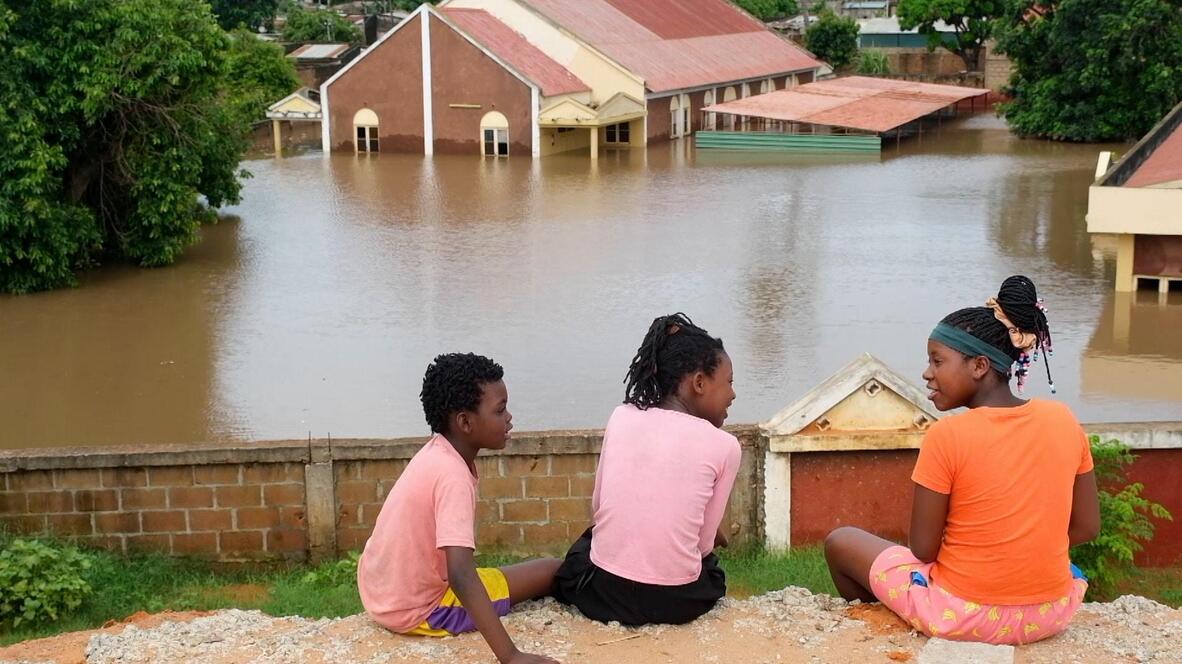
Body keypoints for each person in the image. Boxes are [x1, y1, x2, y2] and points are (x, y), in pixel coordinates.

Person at [824, 276, 1101, 645]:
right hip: (1049, 613)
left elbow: (923, 549)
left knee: (842, 540)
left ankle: (893, 618)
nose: (927, 372)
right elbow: (1086, 527)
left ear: (980, 366)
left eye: (938, 360)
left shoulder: (947, 435)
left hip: (965, 615)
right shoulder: (1063, 420)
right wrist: (1019, 550)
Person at [357, 352, 562, 664]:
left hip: (382, 591)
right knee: (552, 571)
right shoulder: (453, 477)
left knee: (537, 571)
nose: (509, 418)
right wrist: (511, 656)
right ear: (465, 422)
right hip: (421, 608)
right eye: (500, 410)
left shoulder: (436, 453)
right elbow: (461, 575)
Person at [553, 313, 741, 626]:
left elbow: (598, 508)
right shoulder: (725, 446)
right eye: (729, 383)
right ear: (698, 383)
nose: (733, 394)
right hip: (677, 603)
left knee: (587, 546)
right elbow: (704, 545)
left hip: (602, 596)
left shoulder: (621, 416)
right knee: (711, 572)